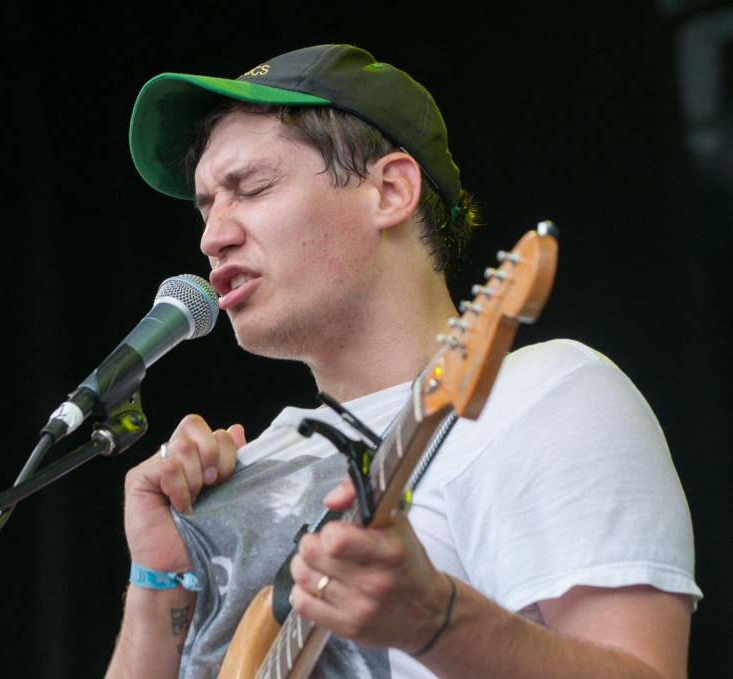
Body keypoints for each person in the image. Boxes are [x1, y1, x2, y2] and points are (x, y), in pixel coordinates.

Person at [104, 44, 702, 679]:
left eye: (250, 188)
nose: (211, 236)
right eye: (205, 207)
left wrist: (435, 621)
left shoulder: (543, 395)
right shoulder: (236, 474)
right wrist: (157, 579)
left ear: (390, 190)